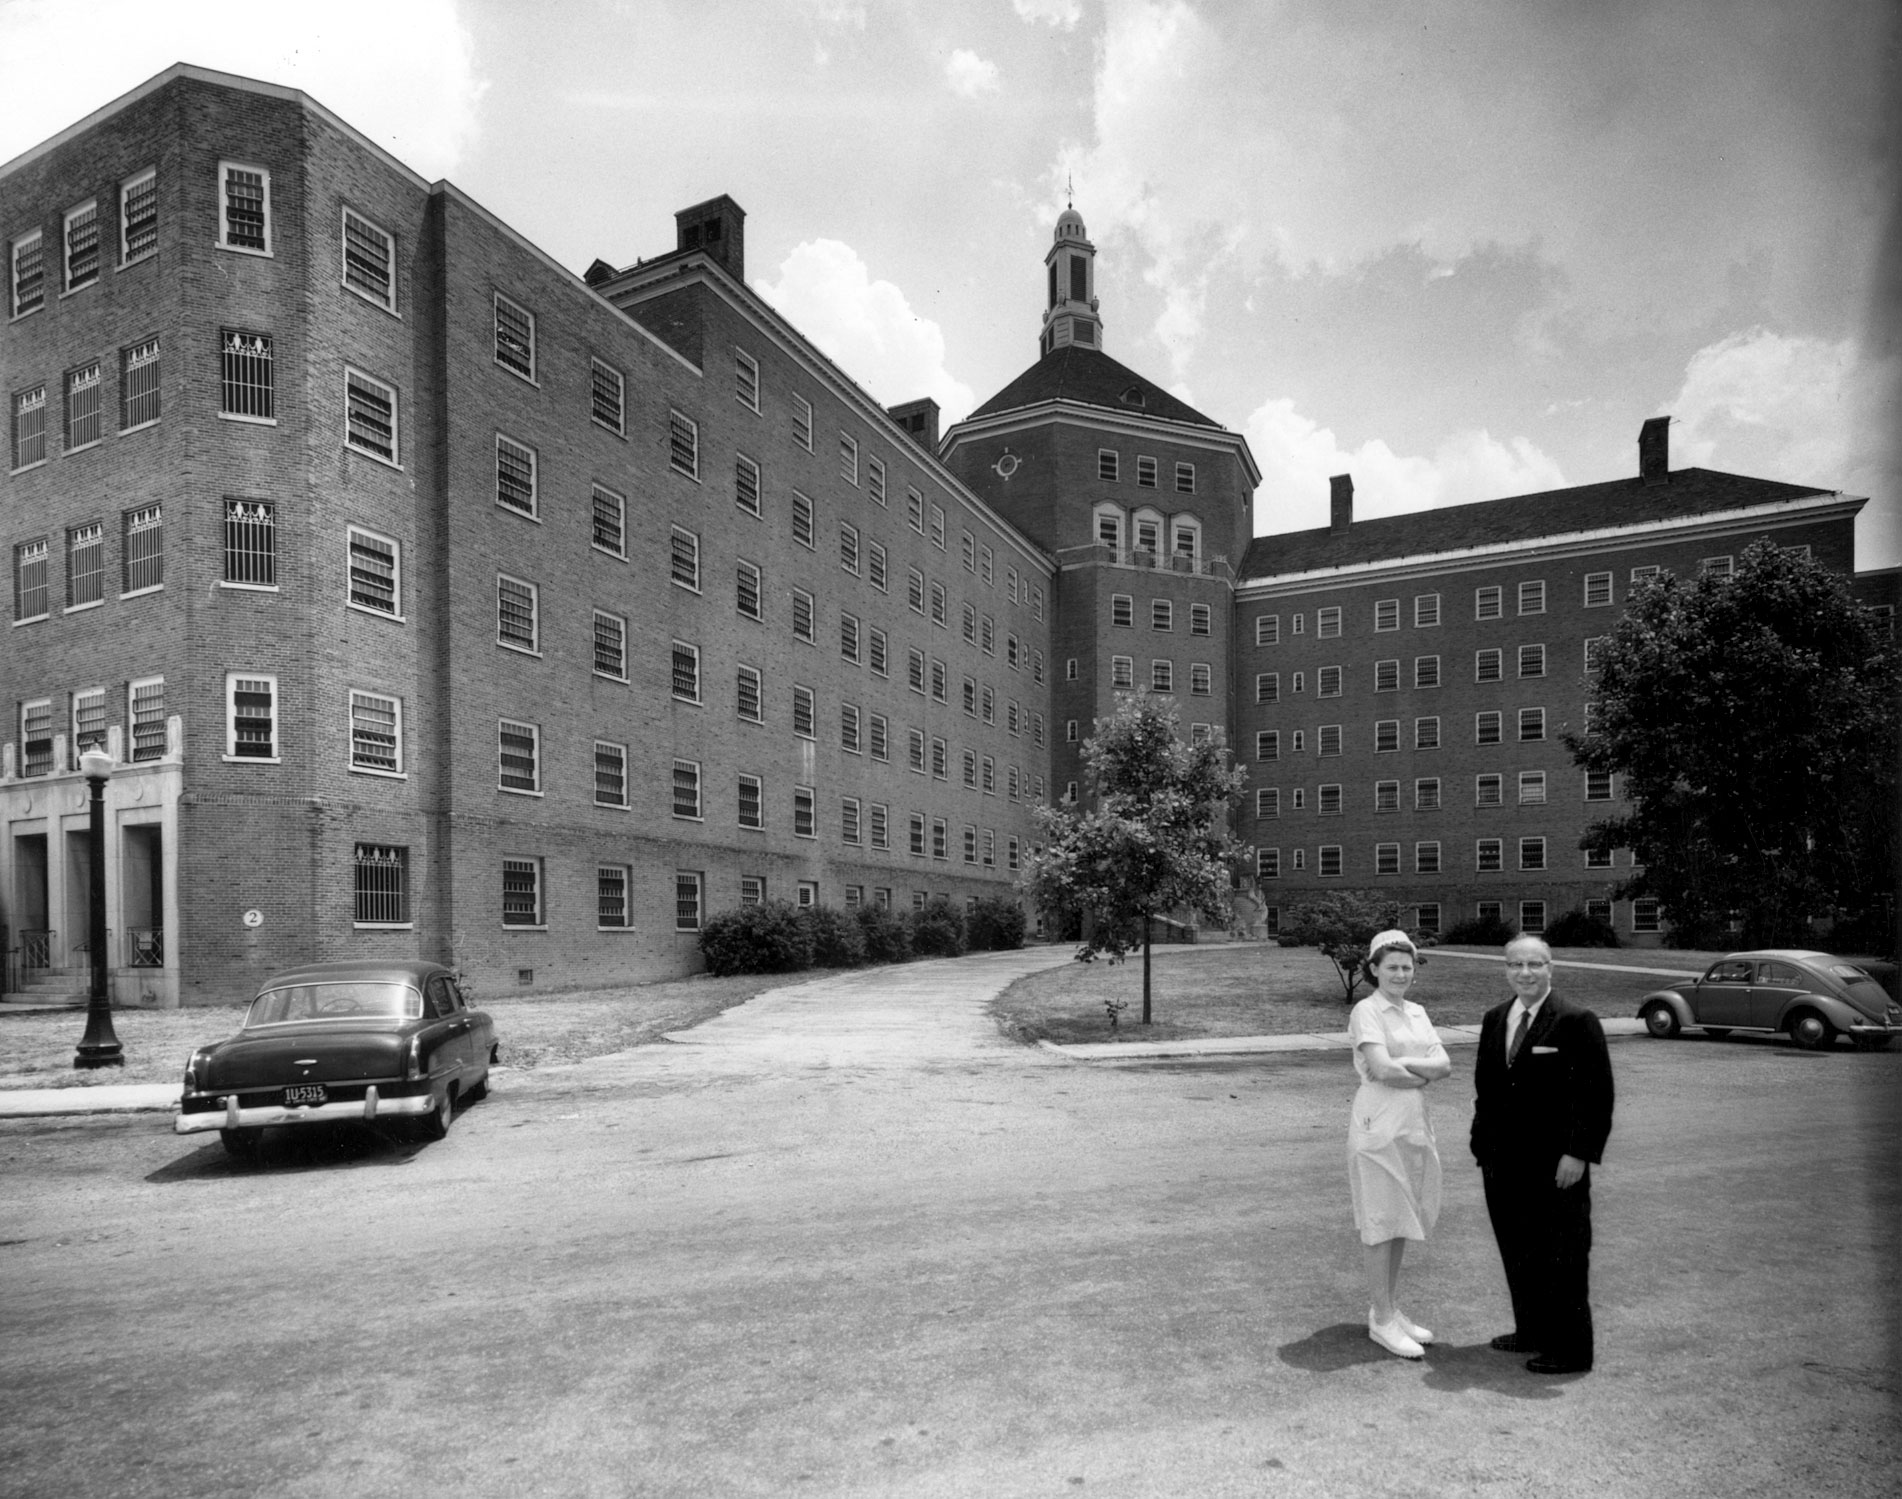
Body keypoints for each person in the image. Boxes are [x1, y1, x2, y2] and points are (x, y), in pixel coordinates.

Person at [1471, 934, 1615, 1375]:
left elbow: (1596, 1095)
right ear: (1506, 970)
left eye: (1535, 964)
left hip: (1557, 1167)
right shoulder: (1496, 1018)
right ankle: (1530, 1329)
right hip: (1503, 1162)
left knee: (1563, 1256)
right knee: (1518, 1250)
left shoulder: (1575, 1020)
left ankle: (1571, 1351)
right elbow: (1487, 1088)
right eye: (1516, 965)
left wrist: (1578, 1153)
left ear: (1551, 967)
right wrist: (1481, 1142)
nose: (1525, 973)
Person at [1347, 929, 1451, 1359]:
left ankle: (1388, 1309)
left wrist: (1406, 1064)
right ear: (1373, 969)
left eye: (1407, 967)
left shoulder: (1418, 1012)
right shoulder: (1365, 1011)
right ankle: (1382, 1320)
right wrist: (1419, 1071)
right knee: (1379, 1221)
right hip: (1378, 1124)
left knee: (1403, 1217)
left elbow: (1444, 1065)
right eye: (1391, 967)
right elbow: (1380, 1071)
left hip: (1412, 1124)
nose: (1400, 974)